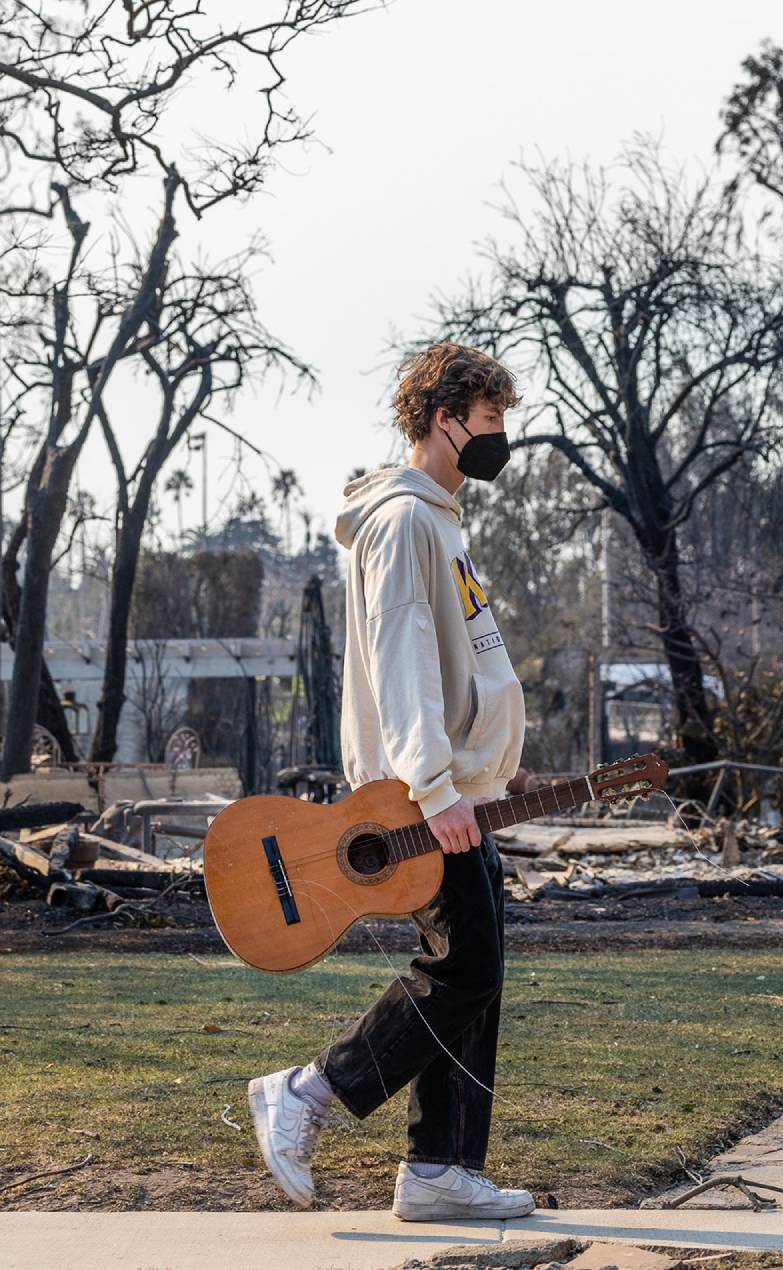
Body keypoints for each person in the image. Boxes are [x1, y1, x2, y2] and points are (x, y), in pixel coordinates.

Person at [246, 343, 533, 1221]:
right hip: (420, 802)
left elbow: (462, 664)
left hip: (455, 792)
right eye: (490, 423)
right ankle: (308, 1090)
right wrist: (439, 789)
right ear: (444, 419)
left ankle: (440, 1170)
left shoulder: (438, 520)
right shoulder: (406, 522)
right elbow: (403, 661)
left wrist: (483, 771)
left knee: (475, 974)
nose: (500, 439)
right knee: (466, 969)